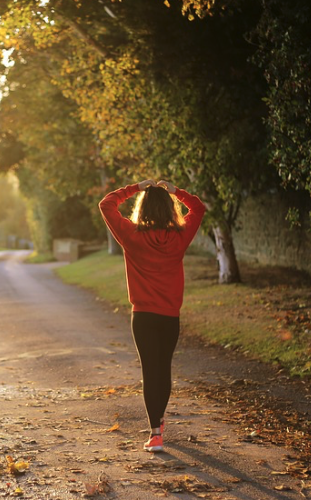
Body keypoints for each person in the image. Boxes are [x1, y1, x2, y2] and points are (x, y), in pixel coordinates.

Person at [99, 179, 206, 452]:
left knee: (150, 371)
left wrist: (135, 187)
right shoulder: (180, 236)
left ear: (142, 209)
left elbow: (106, 204)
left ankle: (155, 433)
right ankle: (158, 421)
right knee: (164, 369)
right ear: (170, 209)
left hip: (143, 316)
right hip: (170, 316)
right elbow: (199, 207)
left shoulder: (131, 235)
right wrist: (176, 191)